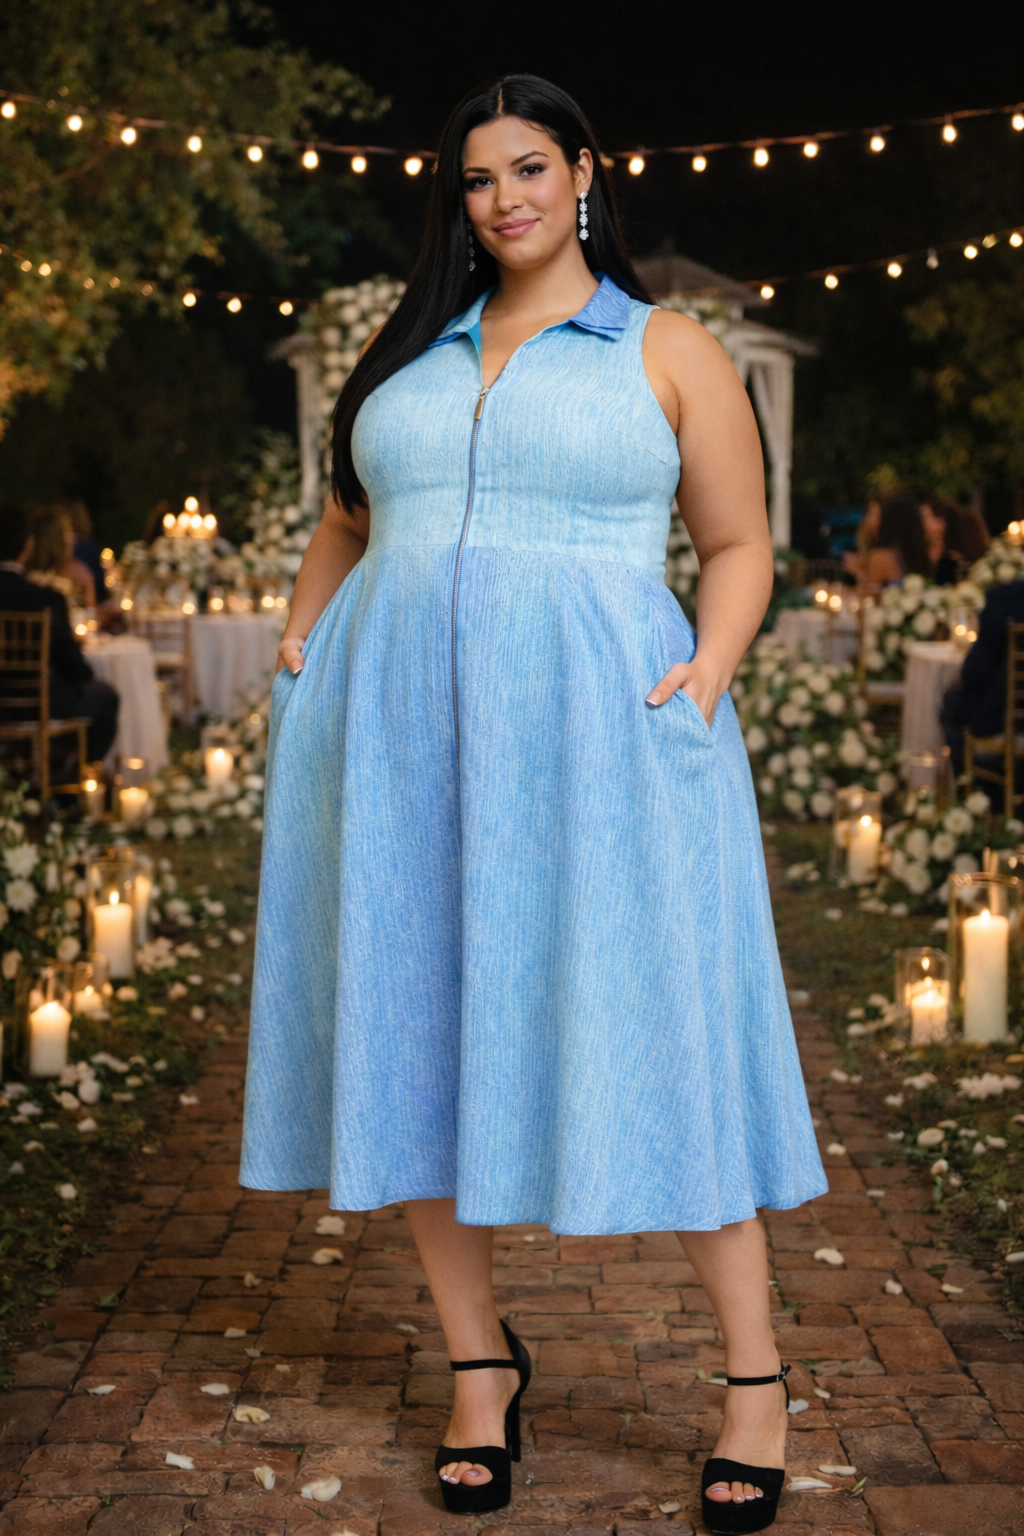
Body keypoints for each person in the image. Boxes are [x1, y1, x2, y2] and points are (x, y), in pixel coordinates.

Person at [240, 76, 825, 1535]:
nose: (501, 198)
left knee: (659, 1032)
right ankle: (480, 1366)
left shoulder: (669, 346)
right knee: (416, 1037)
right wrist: (304, 646)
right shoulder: (412, 361)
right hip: (396, 749)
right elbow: (346, 516)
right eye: (476, 179)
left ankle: (753, 1381)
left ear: (581, 176)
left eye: (526, 169)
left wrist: (704, 679)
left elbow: (740, 542)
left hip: (605, 742)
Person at [0, 504, 119, 768]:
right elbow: (72, 666)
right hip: (39, 704)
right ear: (28, 545)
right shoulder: (45, 599)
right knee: (105, 696)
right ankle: (66, 777)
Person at [941, 576, 1024, 785]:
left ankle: (977, 796)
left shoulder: (1006, 597)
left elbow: (976, 671)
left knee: (952, 704)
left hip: (1009, 717)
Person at [25, 506, 96, 608]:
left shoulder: (23, 575)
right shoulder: (79, 573)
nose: (72, 538)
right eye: (69, 532)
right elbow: (90, 615)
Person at [858, 493, 930, 589]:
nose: (866, 521)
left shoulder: (880, 557)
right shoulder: (924, 553)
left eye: (872, 514)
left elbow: (868, 600)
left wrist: (858, 574)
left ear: (889, 518)